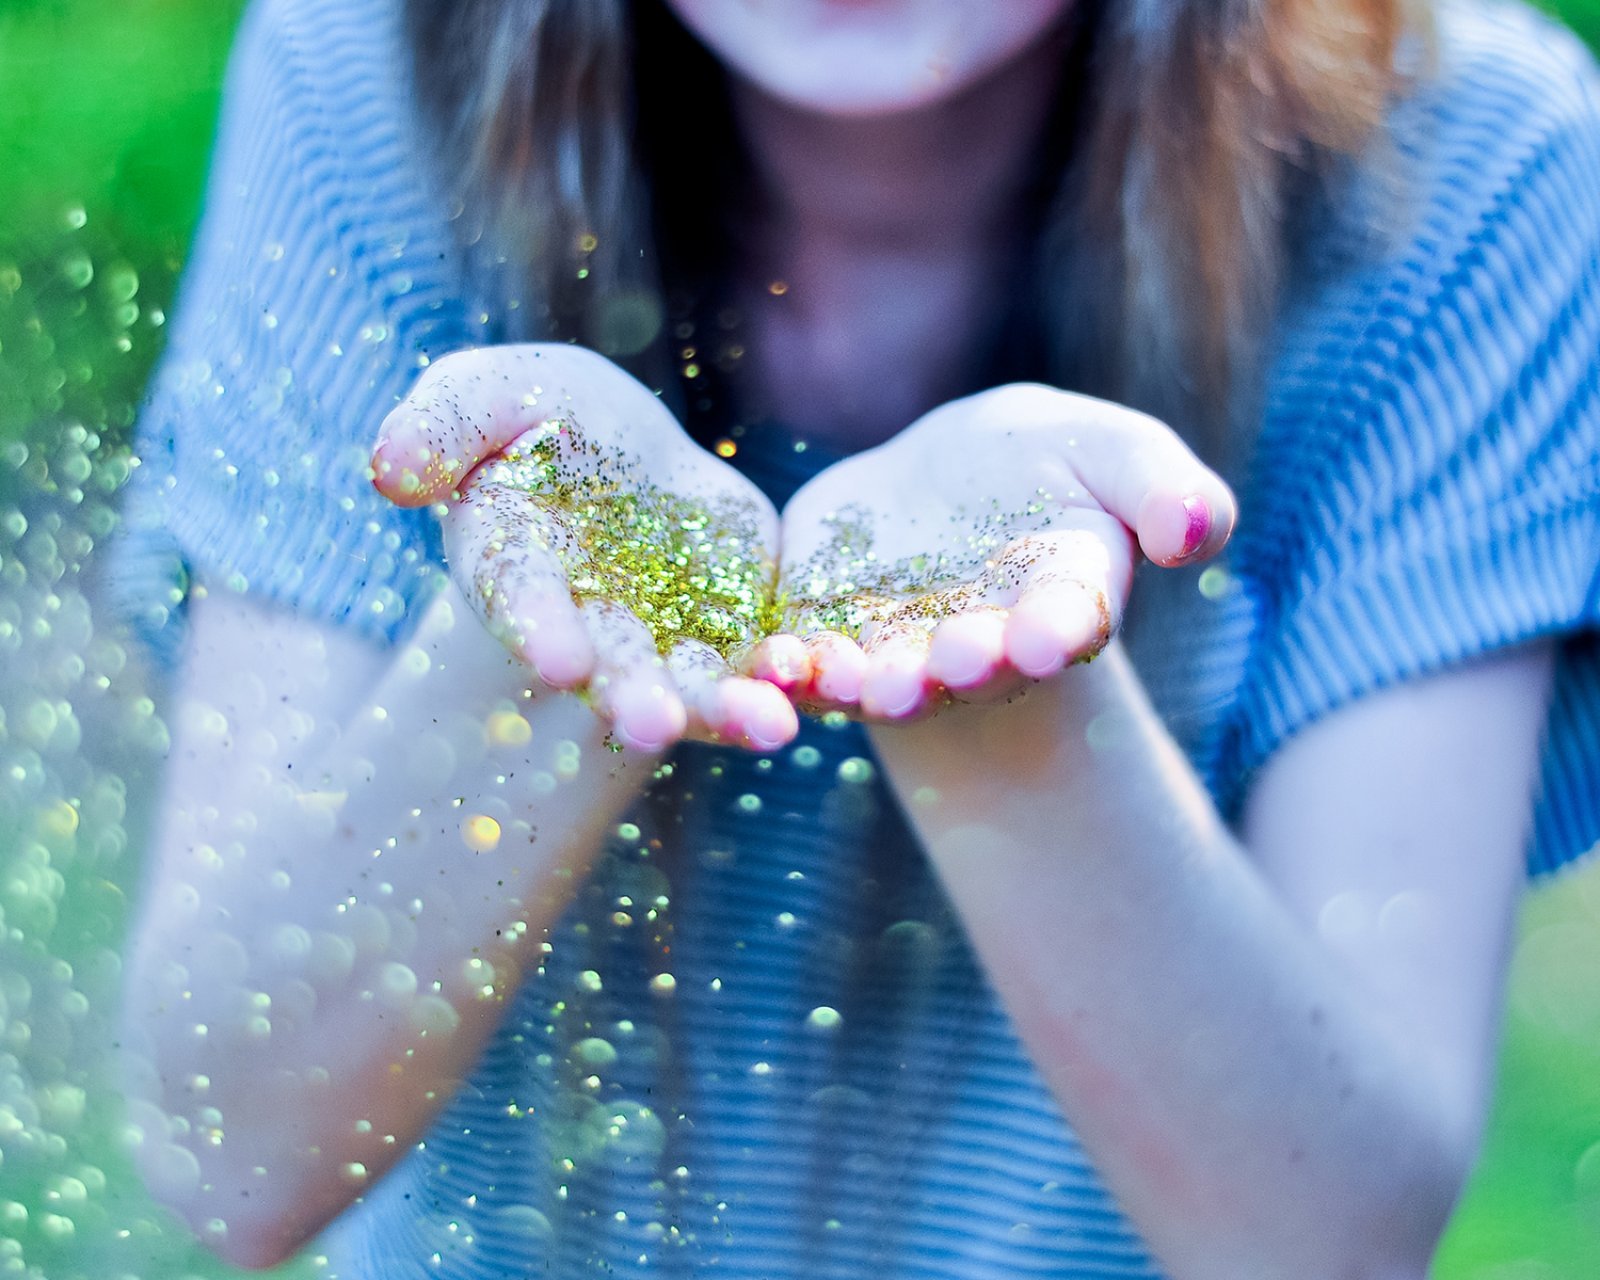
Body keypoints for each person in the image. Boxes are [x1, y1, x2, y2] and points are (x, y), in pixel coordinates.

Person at [112, 0, 1600, 1275]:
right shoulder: (383, 69)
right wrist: (551, 637)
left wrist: (1004, 702)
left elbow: (1329, 1233)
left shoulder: (1455, 168)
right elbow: (229, 1146)